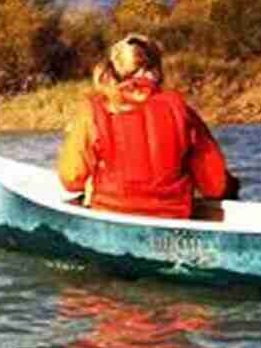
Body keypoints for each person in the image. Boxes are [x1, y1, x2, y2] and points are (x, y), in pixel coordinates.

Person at [57, 33, 238, 218]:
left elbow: (71, 179)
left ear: (114, 70)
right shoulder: (182, 109)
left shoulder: (93, 110)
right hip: (173, 218)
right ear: (157, 69)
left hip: (110, 213)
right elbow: (214, 186)